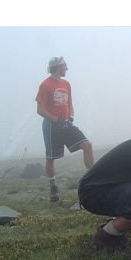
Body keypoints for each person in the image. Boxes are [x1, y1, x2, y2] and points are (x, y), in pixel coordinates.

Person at [36, 57, 94, 202]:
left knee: (87, 145)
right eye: (64, 66)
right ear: (57, 67)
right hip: (52, 126)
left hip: (67, 124)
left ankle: (92, 180)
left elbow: (70, 104)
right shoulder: (45, 85)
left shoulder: (66, 84)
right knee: (51, 157)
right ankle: (53, 187)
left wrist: (71, 118)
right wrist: (57, 120)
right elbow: (40, 110)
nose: (67, 69)